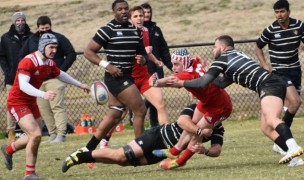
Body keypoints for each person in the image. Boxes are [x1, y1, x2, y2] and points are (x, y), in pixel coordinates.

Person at [168, 35, 304, 165]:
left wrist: (181, 83)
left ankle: (293, 147)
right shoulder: (236, 57)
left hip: (268, 84)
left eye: (214, 47)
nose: (213, 50)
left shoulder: (223, 58)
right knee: (266, 128)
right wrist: (204, 69)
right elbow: (220, 83)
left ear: (222, 47)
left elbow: (203, 82)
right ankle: (294, 158)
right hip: (271, 83)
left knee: (271, 119)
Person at [1, 33, 90, 180]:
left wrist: (80, 85)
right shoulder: (28, 61)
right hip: (17, 102)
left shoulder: (49, 63)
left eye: (56, 47)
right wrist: (43, 95)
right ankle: (29, 174)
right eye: (51, 47)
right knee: (35, 134)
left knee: (34, 136)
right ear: (42, 46)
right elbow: (23, 85)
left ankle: (9, 149)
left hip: (30, 102)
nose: (54, 50)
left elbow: (60, 74)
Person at [71, 0, 147, 156]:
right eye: (120, 9)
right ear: (114, 12)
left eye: (126, 9)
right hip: (115, 77)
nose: (124, 11)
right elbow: (88, 52)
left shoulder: (135, 30)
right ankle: (141, 150)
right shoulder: (107, 29)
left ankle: (88, 148)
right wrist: (108, 66)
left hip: (127, 76)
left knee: (115, 114)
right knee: (140, 109)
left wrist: (142, 60)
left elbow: (142, 54)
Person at [61, 103, 225, 172]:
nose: (217, 118)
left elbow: (217, 150)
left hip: (163, 152)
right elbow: (183, 122)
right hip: (156, 137)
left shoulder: (218, 128)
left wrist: (205, 150)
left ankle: (84, 157)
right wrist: (199, 132)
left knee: (124, 162)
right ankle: (79, 156)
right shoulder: (197, 109)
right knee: (120, 154)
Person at [99, 5, 171, 148]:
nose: (140, 18)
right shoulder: (124, 33)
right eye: (136, 16)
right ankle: (104, 140)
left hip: (143, 77)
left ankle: (168, 139)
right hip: (127, 79)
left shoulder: (145, 32)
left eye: (141, 16)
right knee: (120, 113)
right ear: (130, 19)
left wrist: (151, 59)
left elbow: (144, 53)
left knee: (160, 104)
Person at [148, 48, 232, 170]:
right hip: (207, 101)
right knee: (191, 125)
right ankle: (174, 151)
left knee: (196, 132)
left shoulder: (187, 74)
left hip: (220, 107)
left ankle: (180, 161)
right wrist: (203, 64)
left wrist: (155, 83)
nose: (173, 68)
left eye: (177, 64)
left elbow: (169, 81)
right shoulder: (193, 61)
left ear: (184, 62)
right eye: (173, 64)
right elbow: (198, 59)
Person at [19, 16, 77, 143]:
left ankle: (61, 134)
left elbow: (71, 53)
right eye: (42, 29)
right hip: (38, 80)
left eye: (47, 28)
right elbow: (22, 55)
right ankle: (52, 134)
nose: (45, 31)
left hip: (54, 78)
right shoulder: (32, 40)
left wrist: (60, 70)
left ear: (51, 26)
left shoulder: (59, 38)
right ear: (38, 28)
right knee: (44, 108)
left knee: (57, 106)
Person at [255, 0, 303, 130]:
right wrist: (264, 64)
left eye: (282, 11)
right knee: (296, 101)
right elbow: (258, 47)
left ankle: (282, 134)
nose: (279, 15)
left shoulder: (299, 26)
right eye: (276, 12)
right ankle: (282, 133)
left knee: (291, 105)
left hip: (295, 70)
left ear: (288, 12)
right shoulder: (270, 30)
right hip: (279, 72)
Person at [0, 11, 33, 142]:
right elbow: (2, 57)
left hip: (29, 77)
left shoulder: (31, 36)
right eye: (18, 20)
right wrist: (8, 72)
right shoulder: (6, 38)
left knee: (29, 102)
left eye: (22, 20)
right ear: (14, 22)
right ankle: (11, 131)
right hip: (12, 78)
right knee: (11, 104)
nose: (20, 23)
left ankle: (29, 130)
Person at [140, 2, 173, 128]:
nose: (147, 15)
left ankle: (155, 126)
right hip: (144, 69)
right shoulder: (137, 31)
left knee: (157, 100)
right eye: (144, 13)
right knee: (151, 98)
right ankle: (137, 112)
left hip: (157, 69)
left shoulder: (156, 30)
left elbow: (164, 50)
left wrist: (171, 67)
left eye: (149, 12)